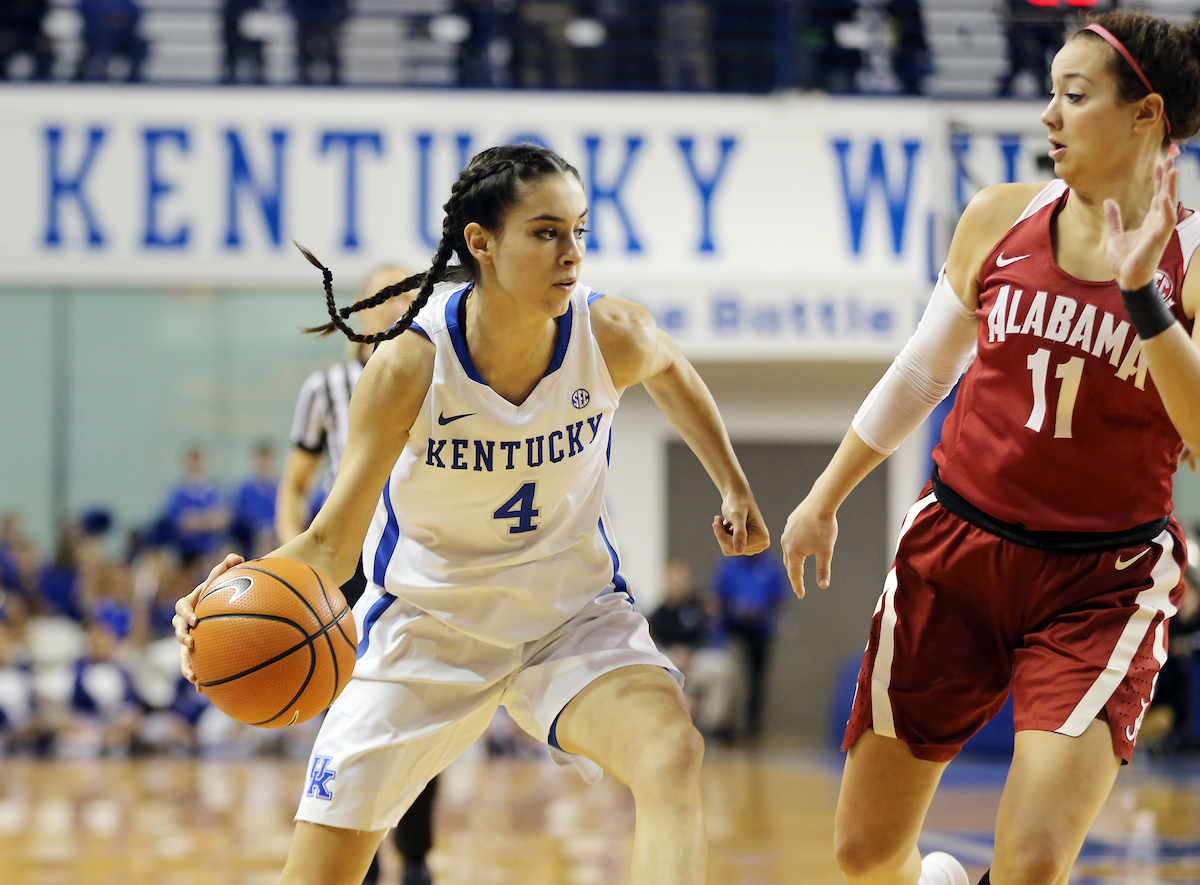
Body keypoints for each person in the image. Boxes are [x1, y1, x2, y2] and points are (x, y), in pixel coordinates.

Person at [175, 142, 768, 885]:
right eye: (546, 232)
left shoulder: (609, 333)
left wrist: (733, 484)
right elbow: (332, 542)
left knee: (671, 751)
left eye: (580, 231)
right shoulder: (410, 366)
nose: (571, 253)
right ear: (480, 243)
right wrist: (227, 593)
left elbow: (671, 367)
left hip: (568, 616)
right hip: (428, 625)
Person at [782, 11, 1200, 885]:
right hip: (957, 553)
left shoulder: (1191, 260)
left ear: (1146, 114)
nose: (1047, 114)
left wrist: (1140, 296)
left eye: (1074, 95)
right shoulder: (998, 218)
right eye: (1049, 92)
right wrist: (823, 497)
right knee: (863, 852)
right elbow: (918, 376)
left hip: (1102, 579)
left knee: (1033, 863)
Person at [276, 264, 438, 885]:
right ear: (365, 306)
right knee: (344, 713)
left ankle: (417, 857)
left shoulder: (438, 371)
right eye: (390, 292)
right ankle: (353, 864)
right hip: (344, 559)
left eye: (410, 291)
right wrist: (288, 560)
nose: (401, 301)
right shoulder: (325, 389)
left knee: (422, 711)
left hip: (414, 558)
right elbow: (293, 486)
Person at [648, 558, 734, 740]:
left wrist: (691, 652)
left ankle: (710, 727)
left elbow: (706, 636)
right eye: (672, 578)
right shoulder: (657, 614)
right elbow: (652, 645)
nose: (677, 582)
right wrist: (672, 655)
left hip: (696, 660)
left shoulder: (700, 606)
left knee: (722, 667)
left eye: (681, 578)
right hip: (670, 662)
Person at [711, 549, 788, 740]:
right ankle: (727, 723)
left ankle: (752, 726)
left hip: (760, 631)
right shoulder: (729, 565)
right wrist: (737, 609)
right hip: (733, 629)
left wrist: (760, 612)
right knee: (731, 674)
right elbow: (718, 597)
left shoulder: (770, 567)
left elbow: (779, 599)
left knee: (757, 680)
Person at [232, 443, 279, 561]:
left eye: (268, 460)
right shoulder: (245, 490)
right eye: (263, 460)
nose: (266, 464)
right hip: (251, 540)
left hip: (276, 537)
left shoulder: (280, 488)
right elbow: (242, 517)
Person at [0, 0, 53, 81]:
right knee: (3, 44)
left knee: (45, 45)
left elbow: (43, 18)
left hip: (33, 33)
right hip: (9, 31)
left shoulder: (40, 2)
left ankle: (43, 80)